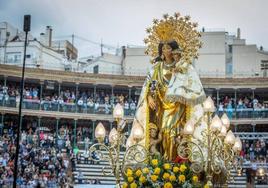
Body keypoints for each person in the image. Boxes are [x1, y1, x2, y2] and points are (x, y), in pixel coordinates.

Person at [128, 13, 205, 161]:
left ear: (175, 50)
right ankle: (163, 161)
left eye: (169, 48)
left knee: (171, 131)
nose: (166, 50)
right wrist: (149, 97)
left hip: (177, 106)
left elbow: (191, 85)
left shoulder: (183, 67)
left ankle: (173, 162)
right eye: (163, 48)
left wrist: (180, 71)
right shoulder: (157, 67)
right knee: (162, 131)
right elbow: (148, 86)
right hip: (160, 106)